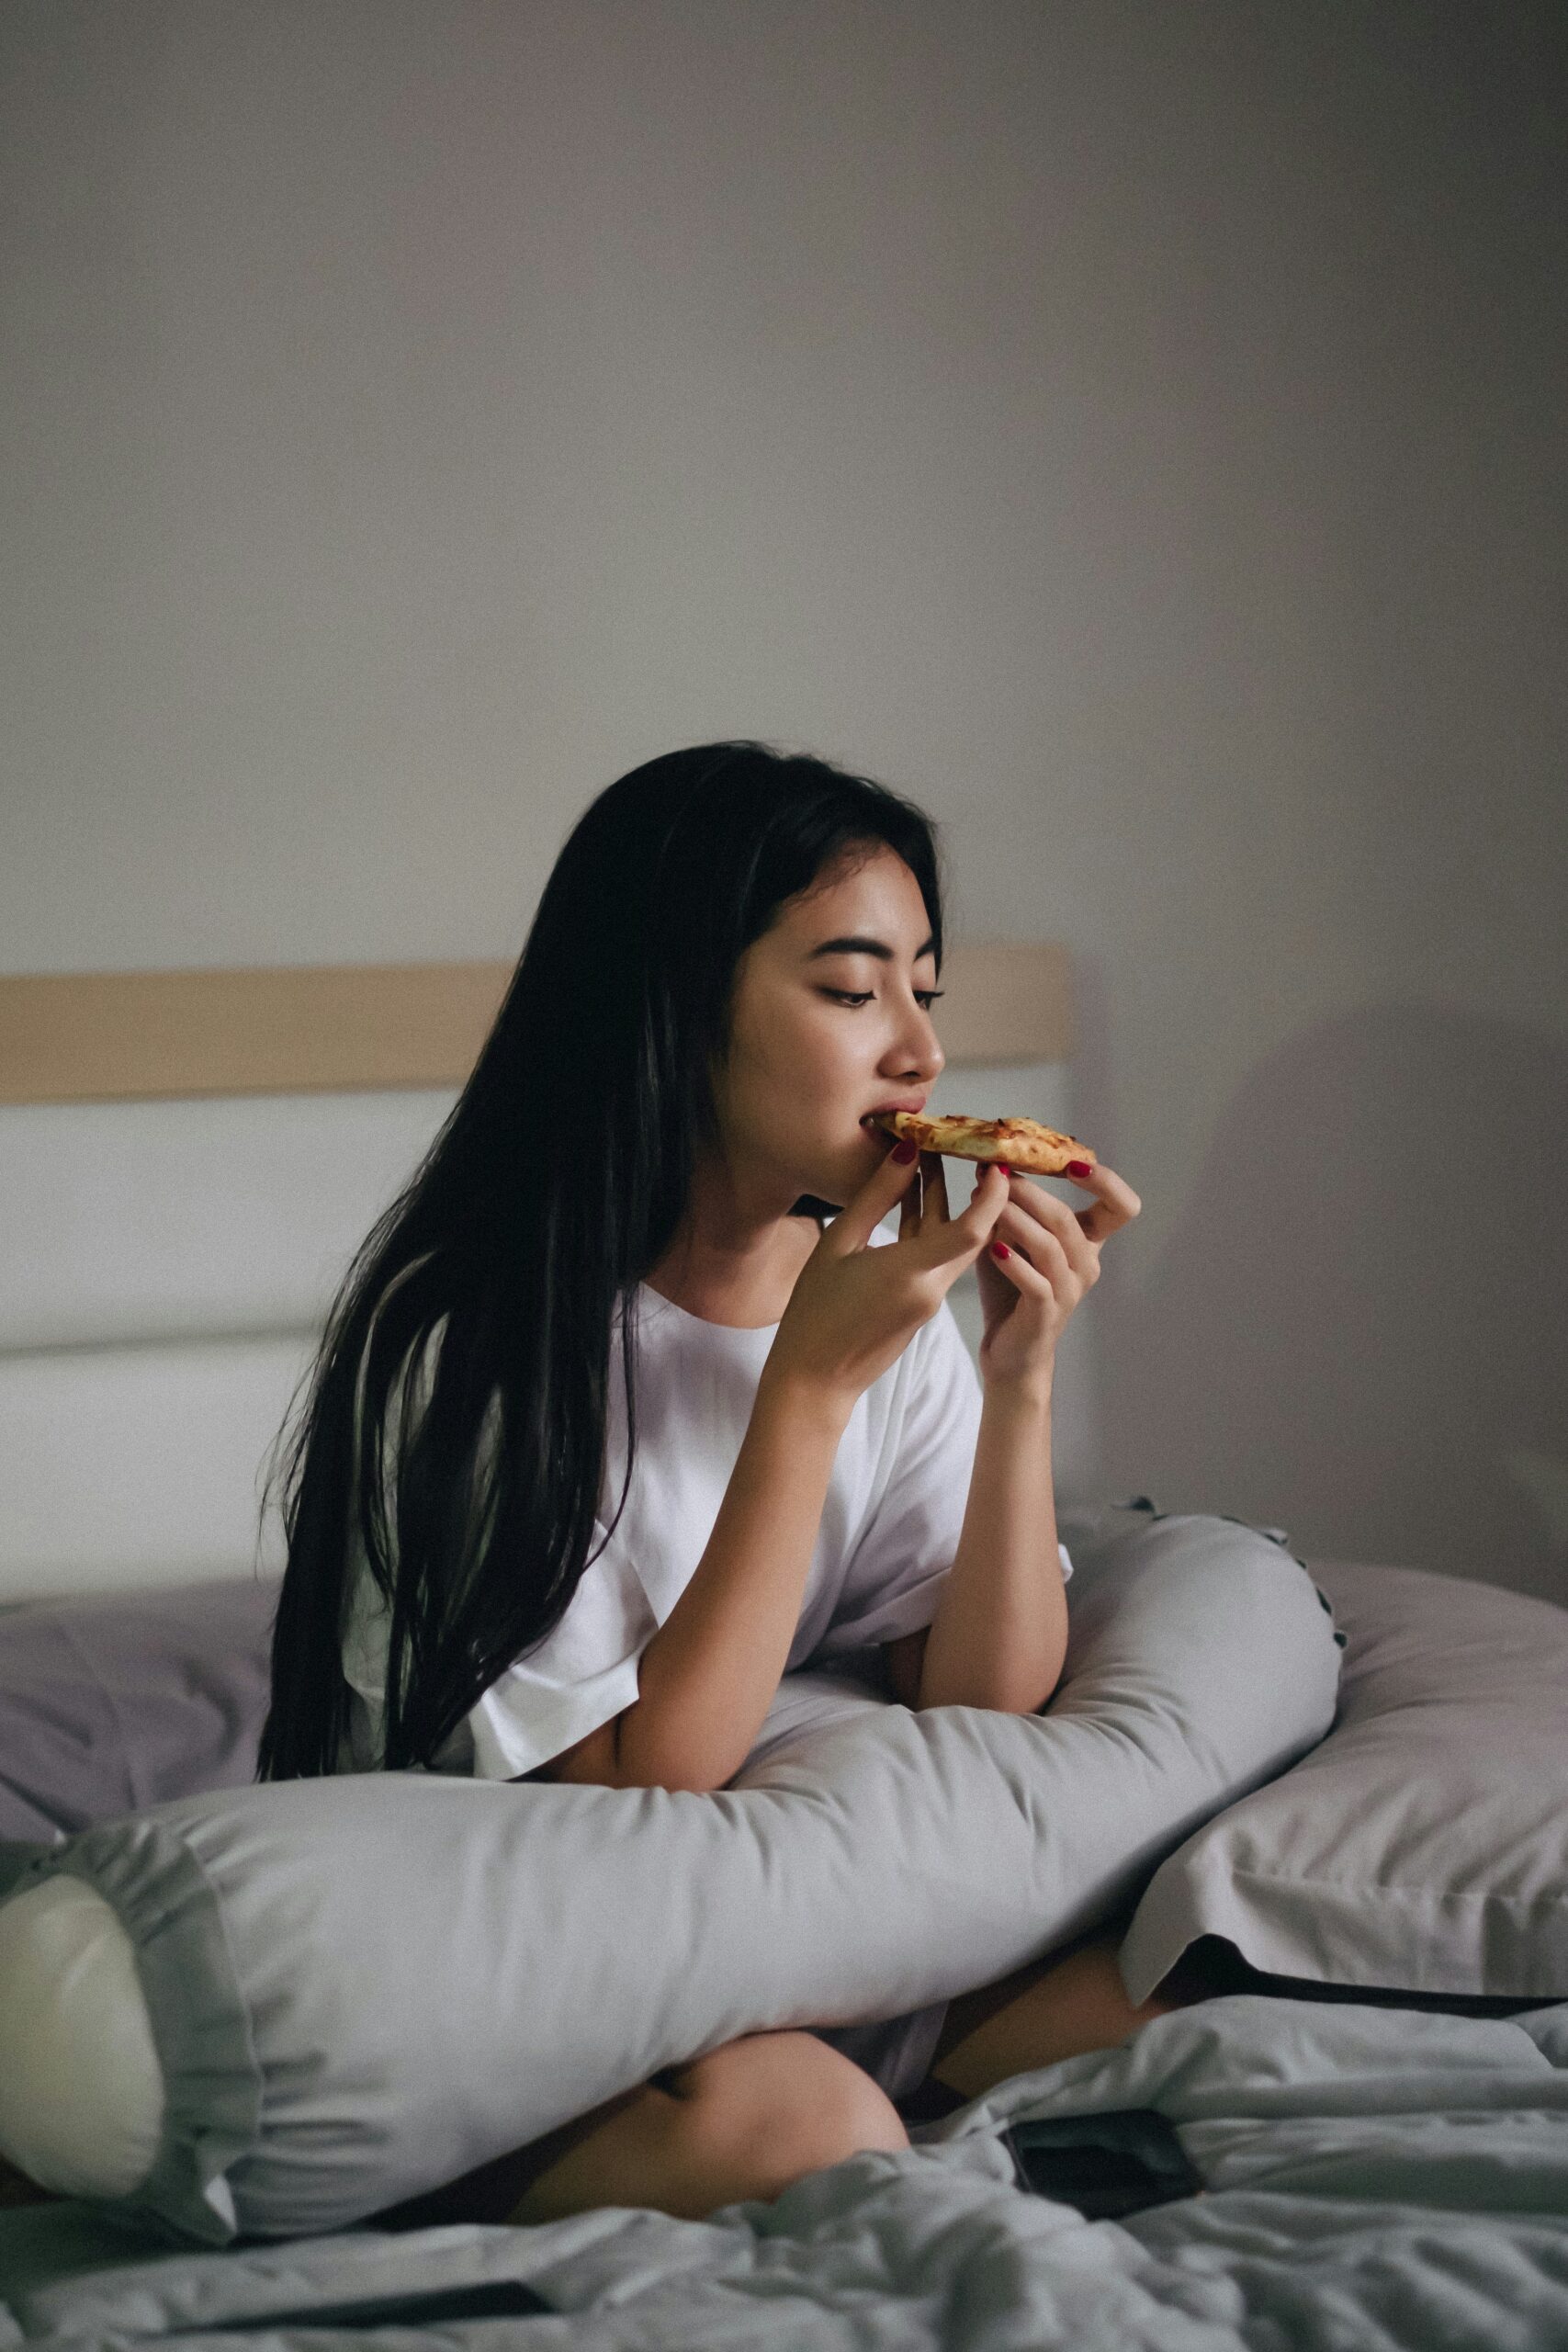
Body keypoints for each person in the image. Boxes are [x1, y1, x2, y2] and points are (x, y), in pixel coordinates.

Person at [259, 740, 1172, 2229]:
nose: (920, 1055)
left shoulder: (876, 1298)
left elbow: (984, 1705)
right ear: (678, 1013)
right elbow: (636, 1793)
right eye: (850, 987)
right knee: (802, 2127)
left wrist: (1018, 1380)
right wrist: (803, 1397)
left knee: (1167, 2013)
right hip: (485, 1930)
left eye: (924, 992)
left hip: (746, 1927)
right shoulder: (481, 1347)